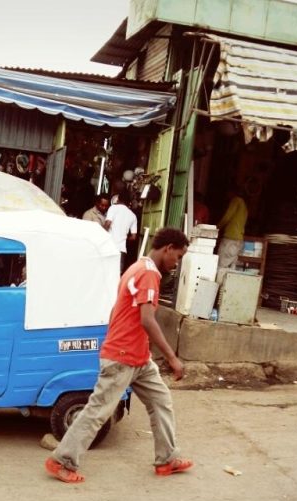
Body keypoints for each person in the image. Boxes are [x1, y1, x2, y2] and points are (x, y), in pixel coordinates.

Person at [44, 227, 194, 484]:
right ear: (168, 248)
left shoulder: (136, 268)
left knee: (160, 401)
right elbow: (147, 319)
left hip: (137, 358)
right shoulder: (148, 274)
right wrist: (172, 357)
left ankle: (167, 459)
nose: (176, 263)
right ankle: (62, 461)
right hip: (124, 357)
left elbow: (116, 309)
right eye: (177, 256)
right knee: (98, 410)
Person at [105, 196, 138, 273]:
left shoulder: (113, 208)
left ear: (118, 199)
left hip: (109, 247)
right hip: (121, 250)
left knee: (105, 273)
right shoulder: (133, 216)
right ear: (129, 203)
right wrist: (124, 237)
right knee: (117, 276)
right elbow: (133, 237)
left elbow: (107, 224)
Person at [217, 189, 248, 269]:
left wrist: (217, 227)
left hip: (230, 238)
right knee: (231, 268)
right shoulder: (245, 206)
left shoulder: (236, 200)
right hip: (238, 240)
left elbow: (227, 216)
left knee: (221, 266)